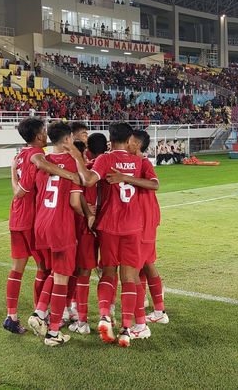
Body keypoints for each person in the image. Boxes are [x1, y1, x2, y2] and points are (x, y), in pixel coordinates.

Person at [70, 122, 159, 348]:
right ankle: (127, 329)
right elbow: (154, 185)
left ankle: (104, 315)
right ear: (130, 140)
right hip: (133, 227)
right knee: (129, 277)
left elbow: (88, 180)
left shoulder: (105, 159)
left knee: (108, 272)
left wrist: (78, 160)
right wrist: (128, 177)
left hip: (108, 225)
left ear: (111, 138)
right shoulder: (139, 161)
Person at [3, 118, 80, 334]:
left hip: (16, 218)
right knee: (47, 270)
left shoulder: (19, 156)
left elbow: (16, 191)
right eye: (44, 131)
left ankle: (12, 316)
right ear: (38, 136)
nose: (46, 134)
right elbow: (34, 173)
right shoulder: (35, 155)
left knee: (16, 270)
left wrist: (12, 172)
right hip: (31, 220)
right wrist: (70, 174)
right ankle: (41, 315)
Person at [25, 122, 84, 346]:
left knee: (54, 271)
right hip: (61, 226)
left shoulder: (42, 161)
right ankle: (53, 332)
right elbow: (74, 202)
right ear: (68, 139)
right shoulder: (73, 164)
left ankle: (40, 313)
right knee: (61, 277)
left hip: (41, 224)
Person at [68, 133, 107, 335]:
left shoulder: (84, 172)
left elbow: (78, 200)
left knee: (81, 271)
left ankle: (81, 320)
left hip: (86, 227)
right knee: (107, 270)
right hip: (107, 226)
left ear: (88, 151)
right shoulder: (106, 167)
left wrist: (88, 212)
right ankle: (108, 313)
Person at [130, 130, 168, 336]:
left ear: (136, 144)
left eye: (130, 141)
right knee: (146, 265)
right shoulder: (132, 163)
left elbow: (155, 184)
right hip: (145, 220)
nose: (127, 144)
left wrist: (126, 178)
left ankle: (141, 323)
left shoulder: (143, 163)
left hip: (144, 222)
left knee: (135, 269)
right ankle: (158, 311)